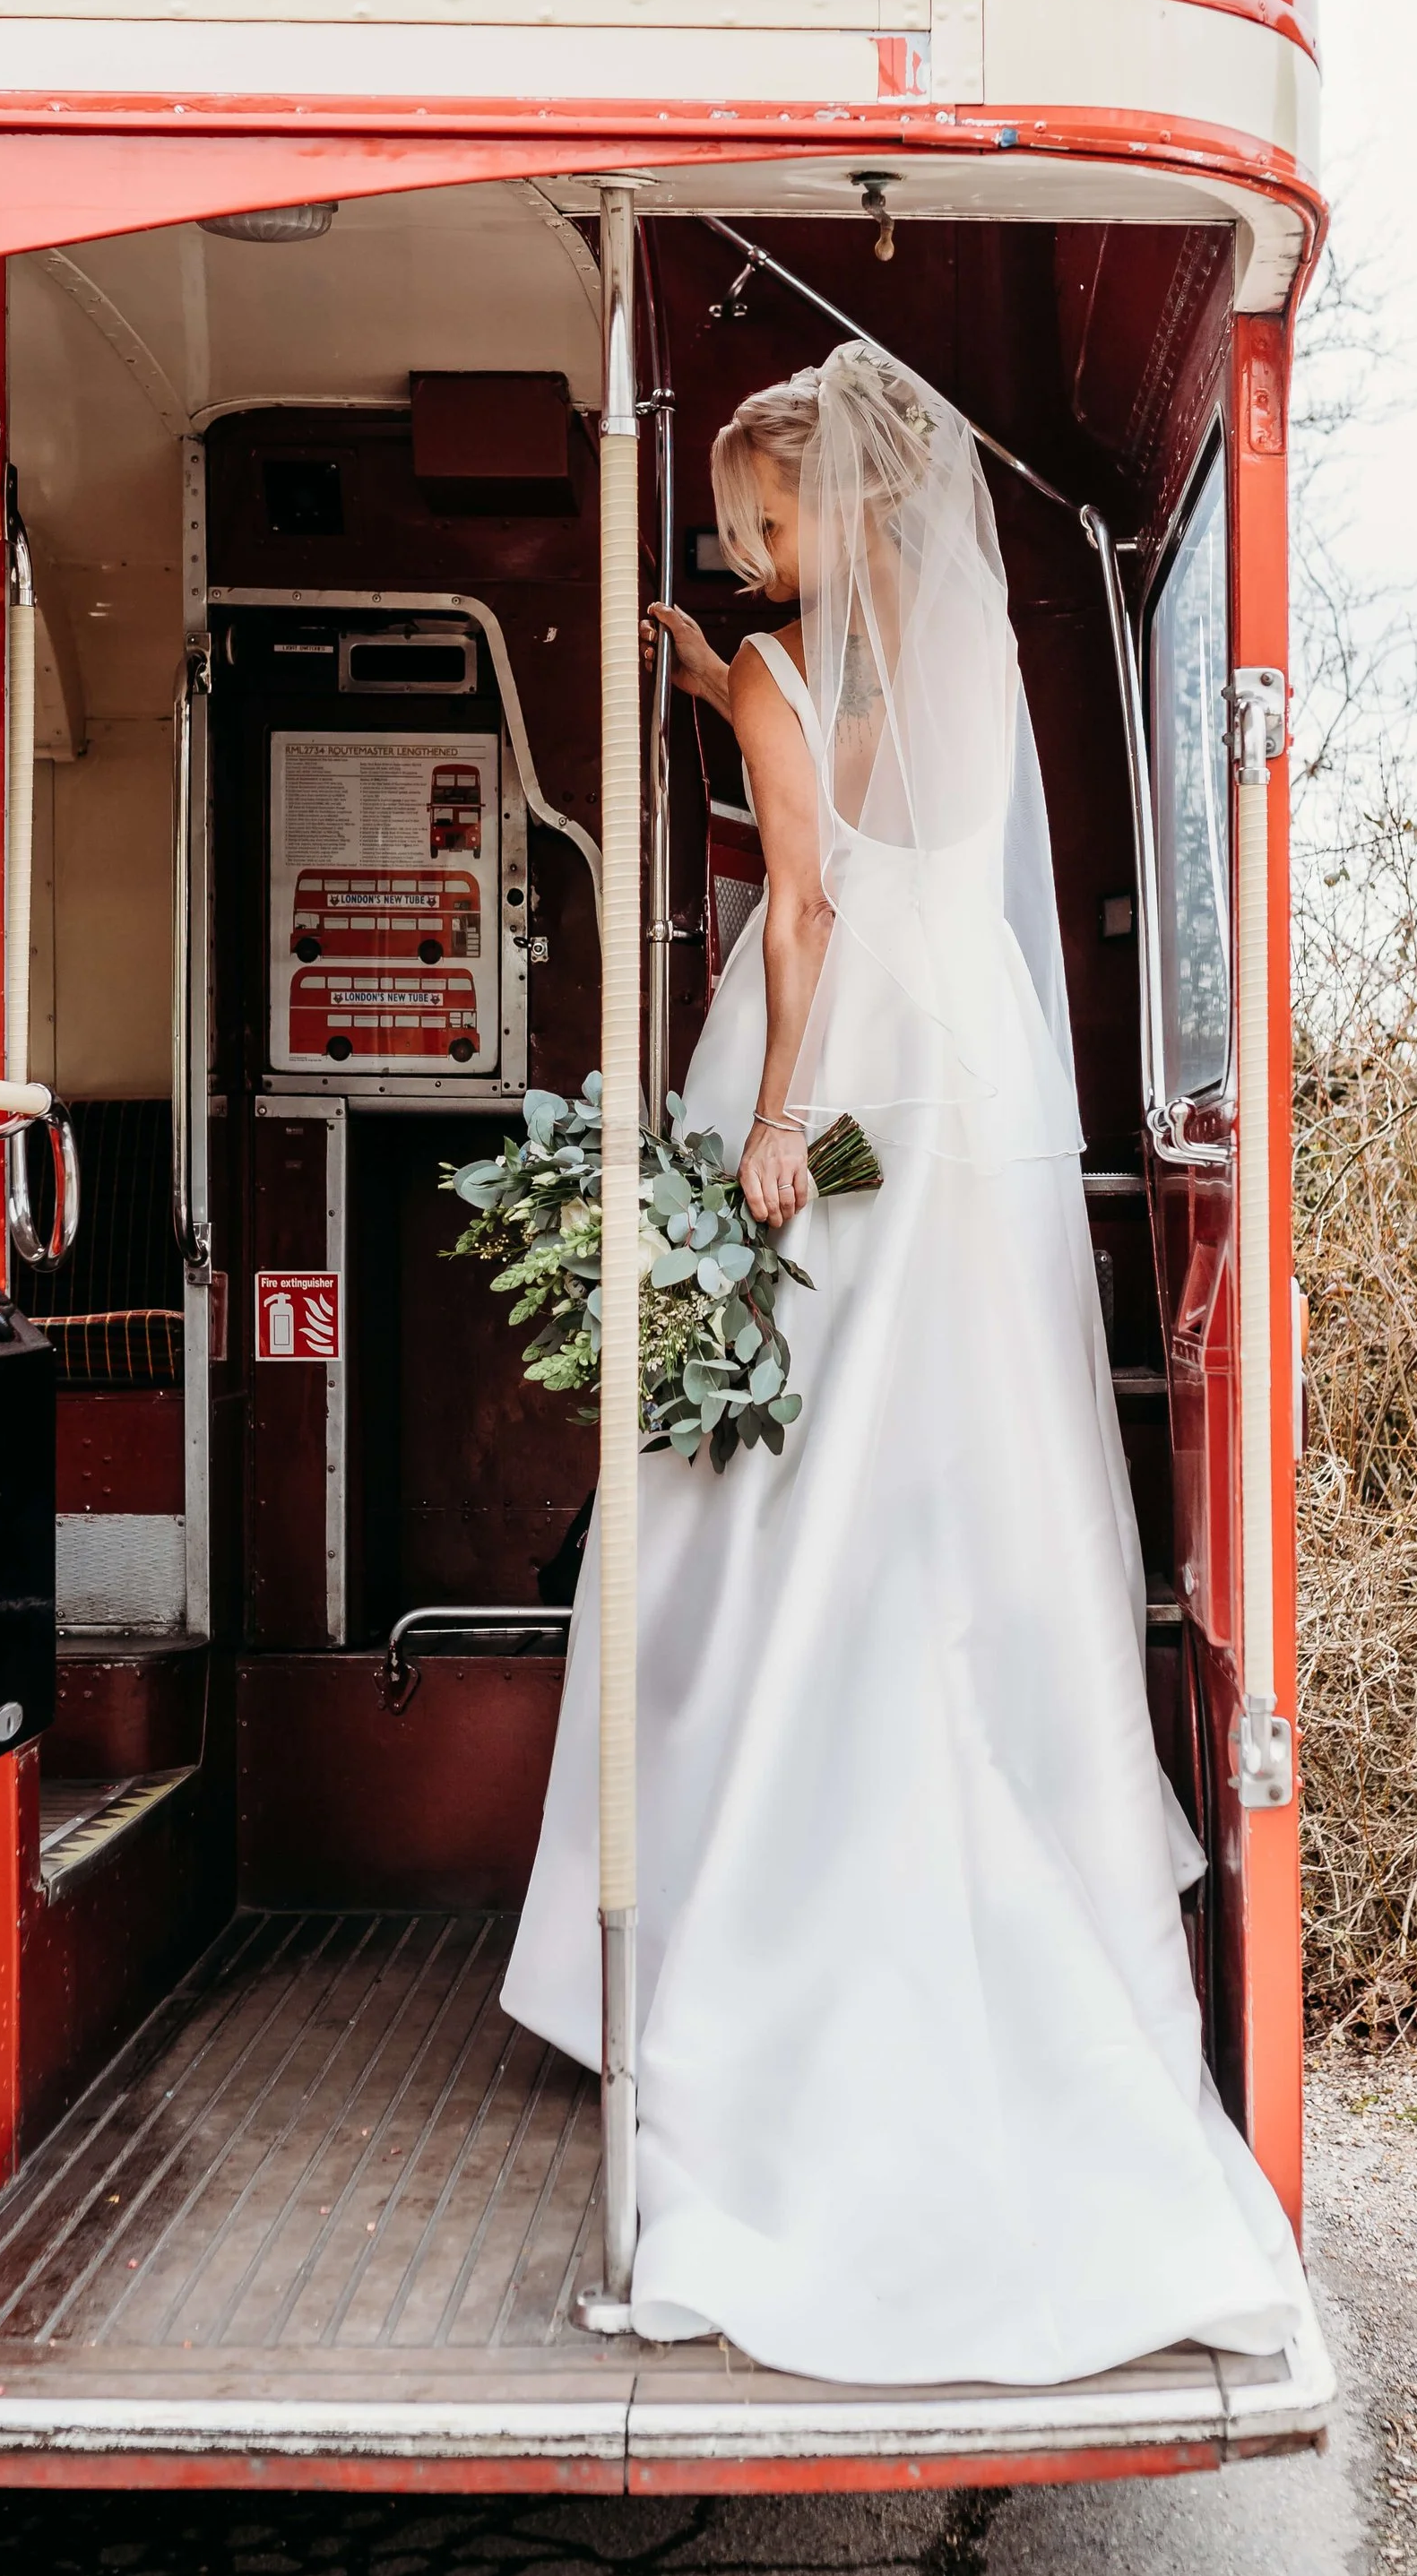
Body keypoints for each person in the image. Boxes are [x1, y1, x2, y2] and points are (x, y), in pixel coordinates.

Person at [501, 341, 1307, 2387]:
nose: (745, 558)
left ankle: (701, 1931)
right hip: (982, 1099)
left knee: (730, 1505)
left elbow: (794, 916)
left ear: (812, 513)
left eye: (758, 527)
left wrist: (770, 1121)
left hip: (847, 1088)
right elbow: (873, 818)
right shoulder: (956, 676)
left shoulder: (784, 684)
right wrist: (719, 683)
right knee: (968, 1480)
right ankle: (1025, 1842)